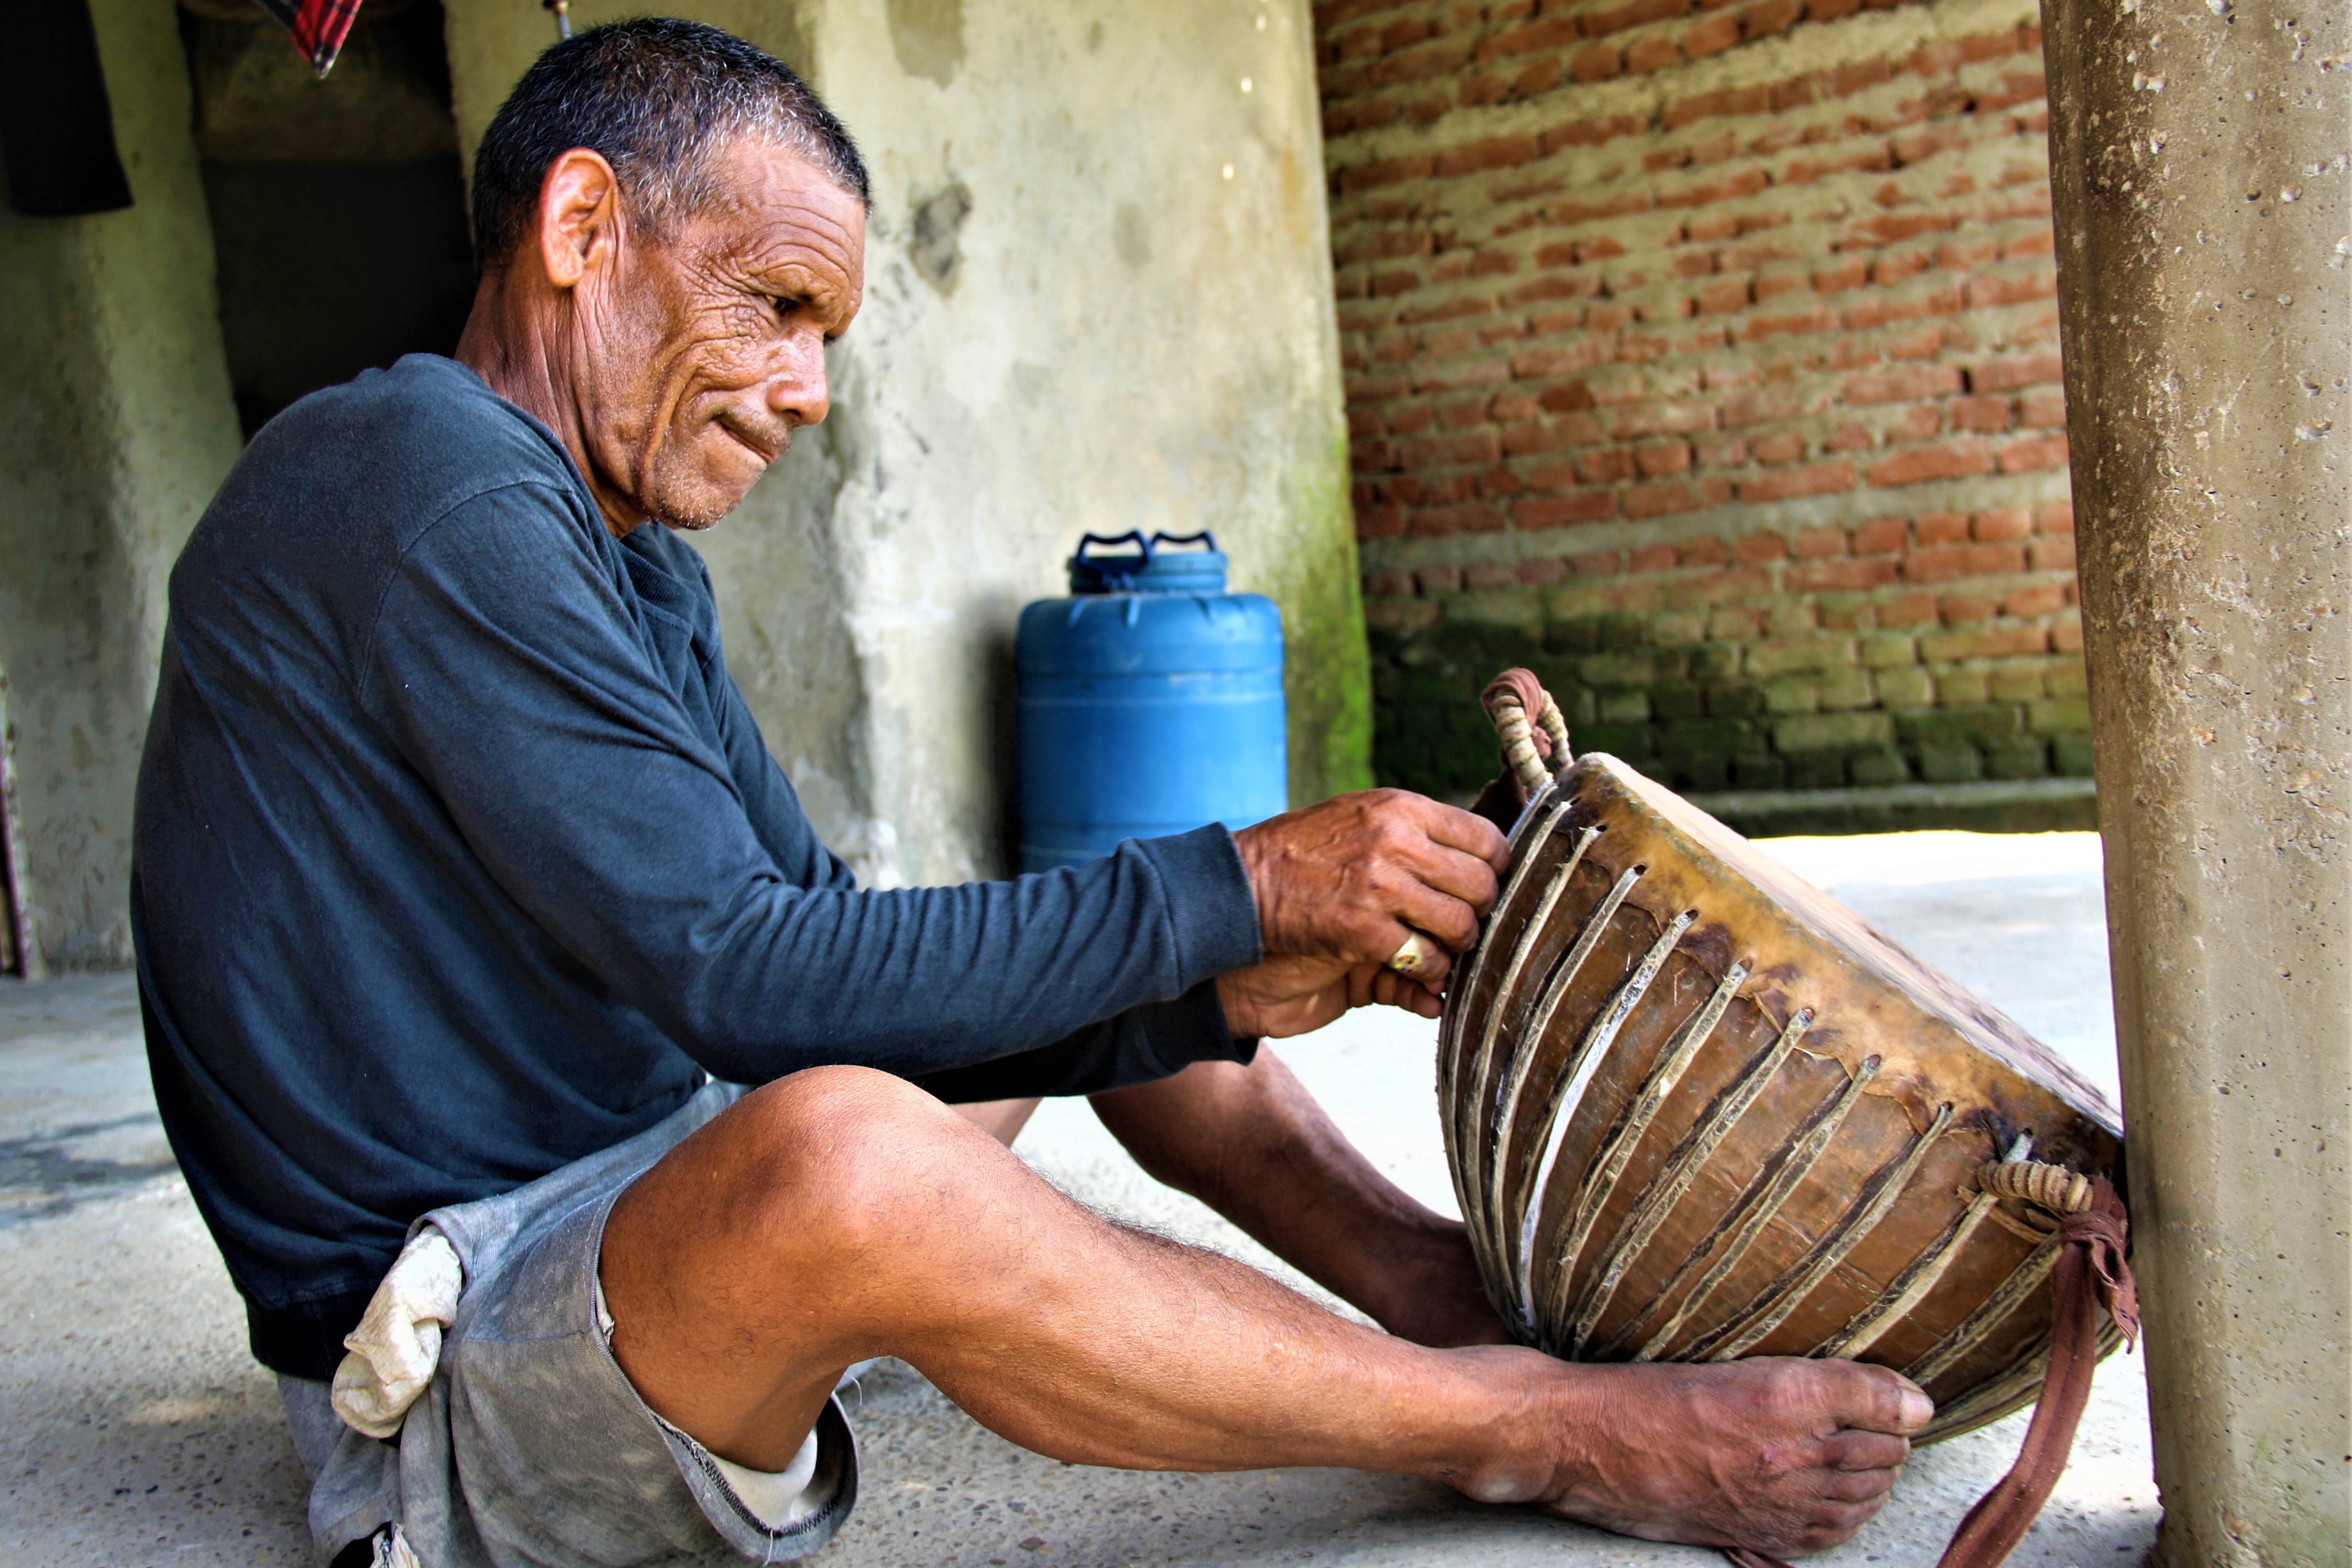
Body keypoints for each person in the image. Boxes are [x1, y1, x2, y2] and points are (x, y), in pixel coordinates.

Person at [131, 20, 1929, 1568]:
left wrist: (1218, 961)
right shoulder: (423, 480)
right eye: (773, 309)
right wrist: (1234, 884)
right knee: (859, 1150)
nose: (808, 391)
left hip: (630, 1203)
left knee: (1080, 975)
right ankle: (1517, 1419)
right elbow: (741, 980)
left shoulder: (610, 550)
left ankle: (1451, 1292)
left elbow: (824, 943)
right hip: (449, 1372)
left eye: (826, 334)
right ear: (583, 227)